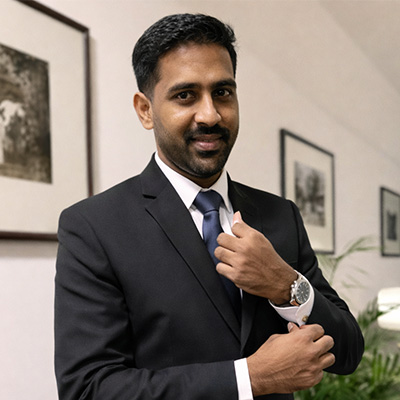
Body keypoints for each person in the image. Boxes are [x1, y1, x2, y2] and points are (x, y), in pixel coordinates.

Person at [54, 13, 364, 400]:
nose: (211, 115)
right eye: (185, 95)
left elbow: (348, 352)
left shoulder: (279, 215)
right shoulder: (94, 227)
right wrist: (249, 377)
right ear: (146, 109)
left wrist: (285, 285)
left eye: (222, 92)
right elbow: (88, 389)